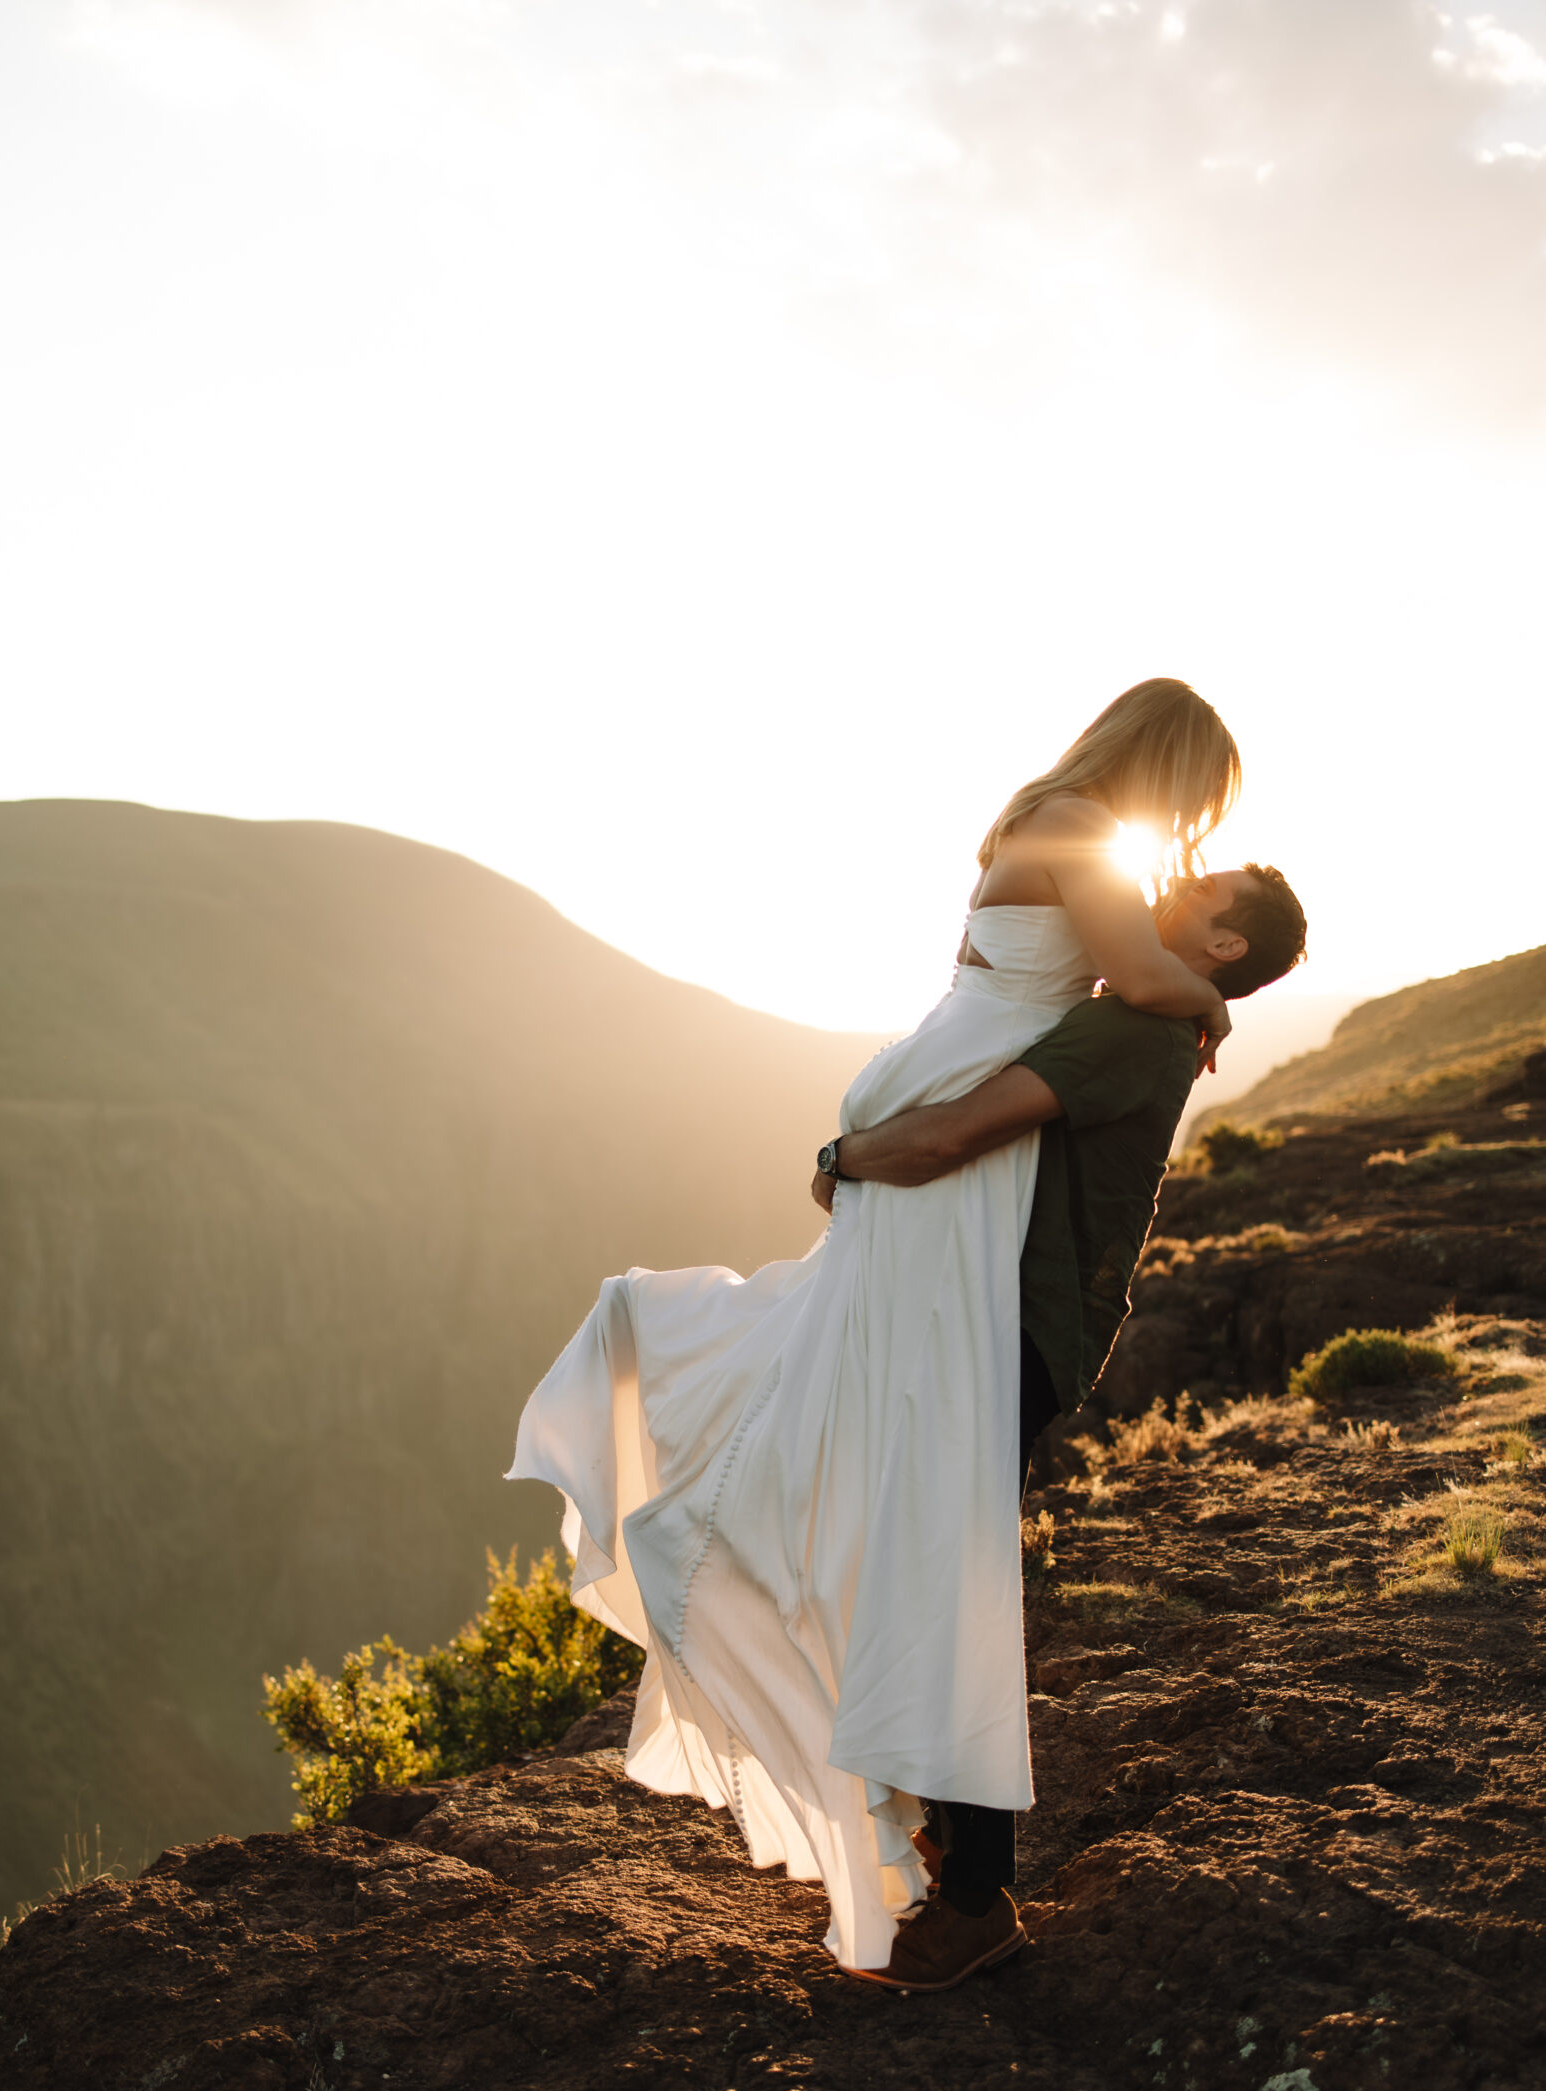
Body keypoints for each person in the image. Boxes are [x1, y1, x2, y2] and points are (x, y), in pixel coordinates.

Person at [508, 679, 1255, 1982]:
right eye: (1193, 803)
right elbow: (1138, 974)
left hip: (946, 1103)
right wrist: (1213, 1000)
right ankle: (959, 1870)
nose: (1186, 834)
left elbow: (1114, 978)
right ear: (1167, 767)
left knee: (882, 1462)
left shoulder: (1052, 817)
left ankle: (931, 1828)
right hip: (951, 1134)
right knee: (920, 1490)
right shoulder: (1080, 826)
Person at [808, 857, 1307, 1987]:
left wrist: (844, 1160)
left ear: (1223, 945)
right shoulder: (1145, 1013)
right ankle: (947, 1837)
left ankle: (977, 1894)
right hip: (1005, 1323)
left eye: (1204, 885)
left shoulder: (1129, 1035)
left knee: (949, 1580)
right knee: (929, 1565)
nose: (1173, 878)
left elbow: (956, 1134)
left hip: (1016, 1335)